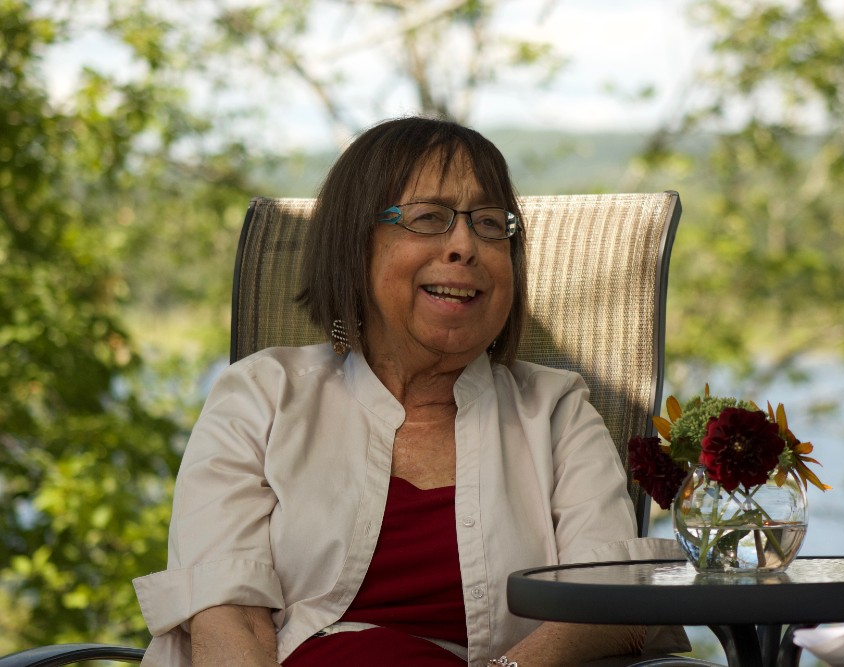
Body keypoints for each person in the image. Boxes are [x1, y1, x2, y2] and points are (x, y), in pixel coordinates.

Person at [133, 116, 688, 666]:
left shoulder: (555, 411)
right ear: (355, 246)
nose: (465, 246)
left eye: (491, 224)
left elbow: (613, 604)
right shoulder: (261, 396)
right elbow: (226, 616)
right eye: (428, 218)